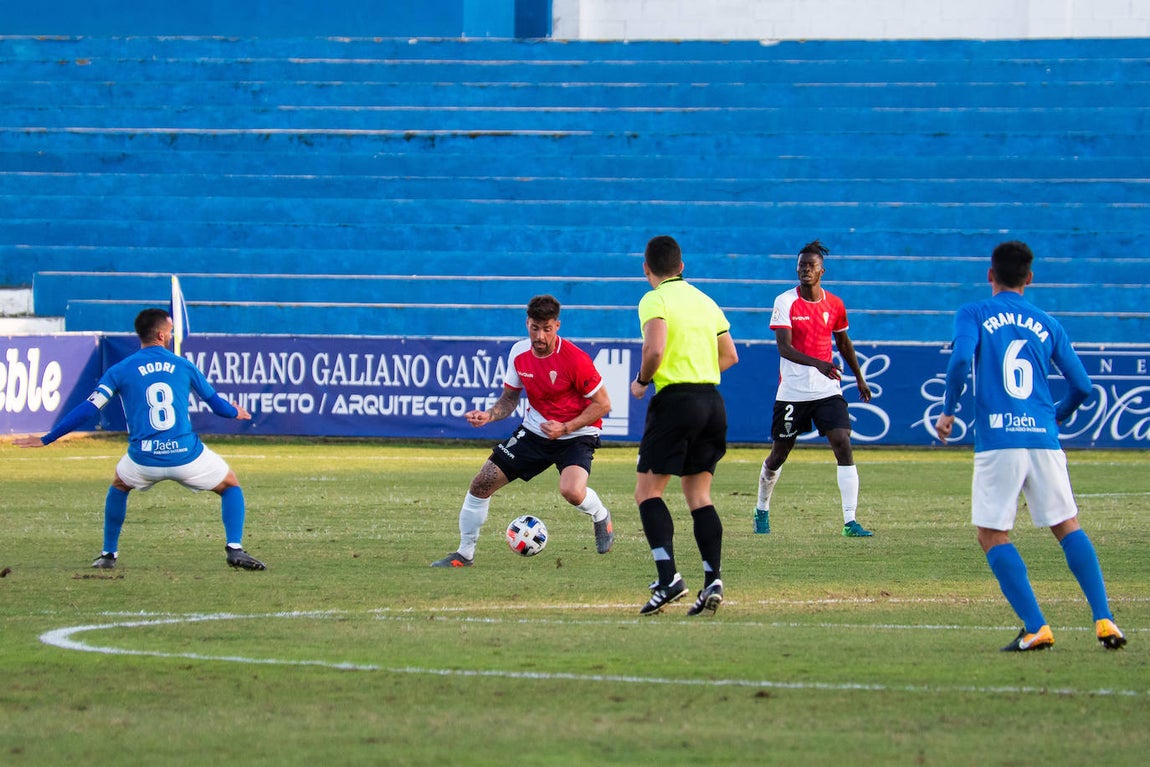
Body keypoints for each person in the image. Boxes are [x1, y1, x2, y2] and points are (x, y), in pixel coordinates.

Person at [934, 240, 1125, 652]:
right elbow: (1083, 387)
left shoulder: (973, 313)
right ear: (1030, 278)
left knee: (992, 533)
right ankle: (1105, 619)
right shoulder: (1048, 323)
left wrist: (948, 410)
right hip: (1042, 437)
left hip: (999, 440)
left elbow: (959, 361)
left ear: (990, 274)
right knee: (1066, 524)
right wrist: (1057, 415)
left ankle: (1036, 626)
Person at [14, 308, 265, 570]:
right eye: (170, 329)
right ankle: (234, 549)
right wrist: (237, 411)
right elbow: (219, 408)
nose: (171, 333)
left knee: (119, 486)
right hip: (186, 455)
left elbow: (89, 409)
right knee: (230, 485)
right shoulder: (183, 365)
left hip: (143, 459)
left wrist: (48, 438)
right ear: (160, 334)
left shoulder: (120, 369)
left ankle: (108, 555)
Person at [430, 295, 614, 567]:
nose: (540, 336)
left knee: (572, 491)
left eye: (547, 329)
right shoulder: (518, 353)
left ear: (557, 326)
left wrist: (565, 427)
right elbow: (509, 398)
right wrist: (489, 415)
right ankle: (464, 554)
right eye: (534, 328)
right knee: (481, 483)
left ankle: (600, 515)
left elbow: (603, 404)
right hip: (535, 431)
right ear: (527, 323)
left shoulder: (575, 359)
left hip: (576, 434)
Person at [631, 235, 739, 617]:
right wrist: (700, 372)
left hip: (677, 402)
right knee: (698, 496)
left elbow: (655, 349)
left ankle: (668, 578)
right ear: (681, 266)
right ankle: (713, 579)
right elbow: (730, 355)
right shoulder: (705, 300)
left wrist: (643, 381)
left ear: (647, 269)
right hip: (712, 401)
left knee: (648, 493)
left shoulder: (654, 299)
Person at [754, 239, 874, 538]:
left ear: (822, 271)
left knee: (842, 441)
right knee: (779, 454)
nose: (805, 269)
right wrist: (818, 363)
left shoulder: (834, 304)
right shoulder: (785, 302)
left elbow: (843, 343)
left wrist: (859, 377)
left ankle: (850, 521)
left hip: (826, 389)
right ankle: (761, 509)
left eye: (811, 265)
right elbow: (784, 348)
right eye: (801, 265)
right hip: (792, 391)